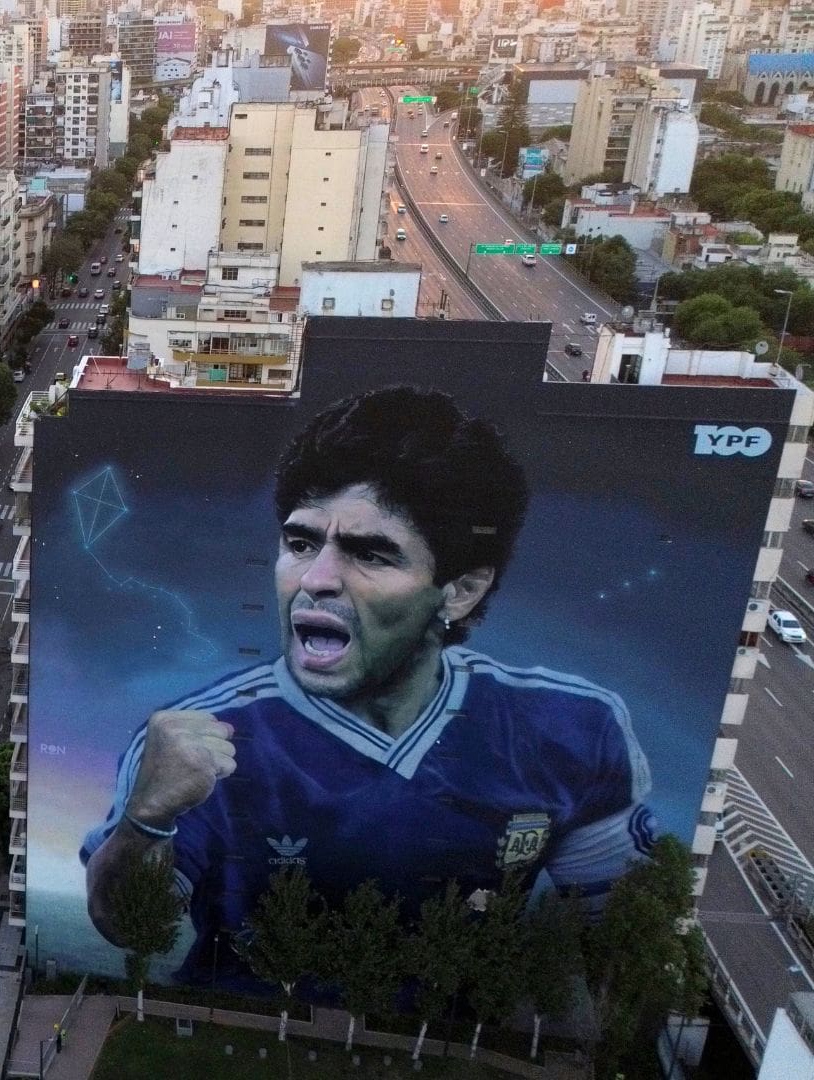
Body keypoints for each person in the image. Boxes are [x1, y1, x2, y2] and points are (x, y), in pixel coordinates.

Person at [81, 386, 654, 985]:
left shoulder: (572, 730)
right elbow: (126, 925)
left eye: (372, 555)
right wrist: (145, 820)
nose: (317, 579)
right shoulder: (197, 740)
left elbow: (614, 940)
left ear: (461, 591)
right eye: (300, 544)